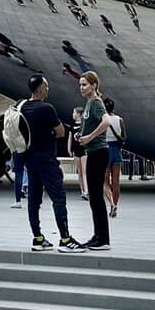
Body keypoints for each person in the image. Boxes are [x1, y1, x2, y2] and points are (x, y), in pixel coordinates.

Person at [19, 75, 85, 253]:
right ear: (40, 88)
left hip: (30, 159)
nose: (48, 90)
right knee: (58, 197)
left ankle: (38, 238)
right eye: (46, 87)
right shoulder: (47, 108)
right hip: (46, 159)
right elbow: (61, 131)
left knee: (34, 199)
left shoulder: (22, 106)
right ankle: (65, 239)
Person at [77, 72, 110, 251]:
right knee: (94, 197)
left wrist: (90, 137)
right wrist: (82, 136)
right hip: (93, 151)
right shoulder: (89, 103)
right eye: (80, 85)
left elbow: (106, 122)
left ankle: (103, 238)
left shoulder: (96, 103)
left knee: (96, 196)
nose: (81, 88)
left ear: (94, 85)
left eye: (84, 85)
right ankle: (97, 235)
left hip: (99, 151)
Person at [103, 97, 124, 219]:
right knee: (116, 182)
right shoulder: (119, 120)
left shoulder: (103, 119)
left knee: (105, 181)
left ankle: (111, 203)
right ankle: (115, 205)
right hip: (116, 150)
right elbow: (124, 136)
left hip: (105, 149)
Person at [69, 107, 88, 199]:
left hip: (84, 150)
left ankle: (86, 191)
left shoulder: (84, 125)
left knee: (84, 172)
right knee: (79, 172)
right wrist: (69, 149)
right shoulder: (72, 125)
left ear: (79, 114)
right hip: (76, 150)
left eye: (74, 112)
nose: (73, 114)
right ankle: (82, 190)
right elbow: (70, 137)